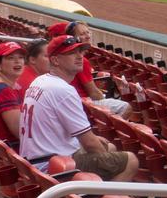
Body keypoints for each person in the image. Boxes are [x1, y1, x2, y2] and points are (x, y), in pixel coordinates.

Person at [19, 35, 138, 181]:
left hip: (37, 159)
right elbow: (90, 145)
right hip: (52, 165)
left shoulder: (40, 80)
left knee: (109, 147)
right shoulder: (62, 89)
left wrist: (100, 147)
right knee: (130, 160)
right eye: (71, 53)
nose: (79, 56)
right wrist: (108, 162)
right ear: (55, 60)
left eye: (80, 52)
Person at [63, 21, 130, 116]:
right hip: (82, 103)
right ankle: (111, 130)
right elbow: (93, 93)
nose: (87, 36)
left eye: (87, 32)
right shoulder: (80, 60)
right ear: (75, 39)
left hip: (73, 101)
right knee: (126, 107)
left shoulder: (65, 56)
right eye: (82, 34)